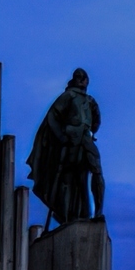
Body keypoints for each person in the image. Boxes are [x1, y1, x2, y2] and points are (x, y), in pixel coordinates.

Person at [26, 68, 105, 227]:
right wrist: (62, 136)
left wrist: (92, 129)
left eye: (83, 78)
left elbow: (96, 121)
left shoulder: (90, 100)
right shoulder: (68, 96)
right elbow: (53, 117)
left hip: (85, 140)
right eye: (79, 77)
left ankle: (97, 212)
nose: (81, 80)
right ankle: (70, 215)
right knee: (70, 178)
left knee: (96, 171)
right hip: (70, 141)